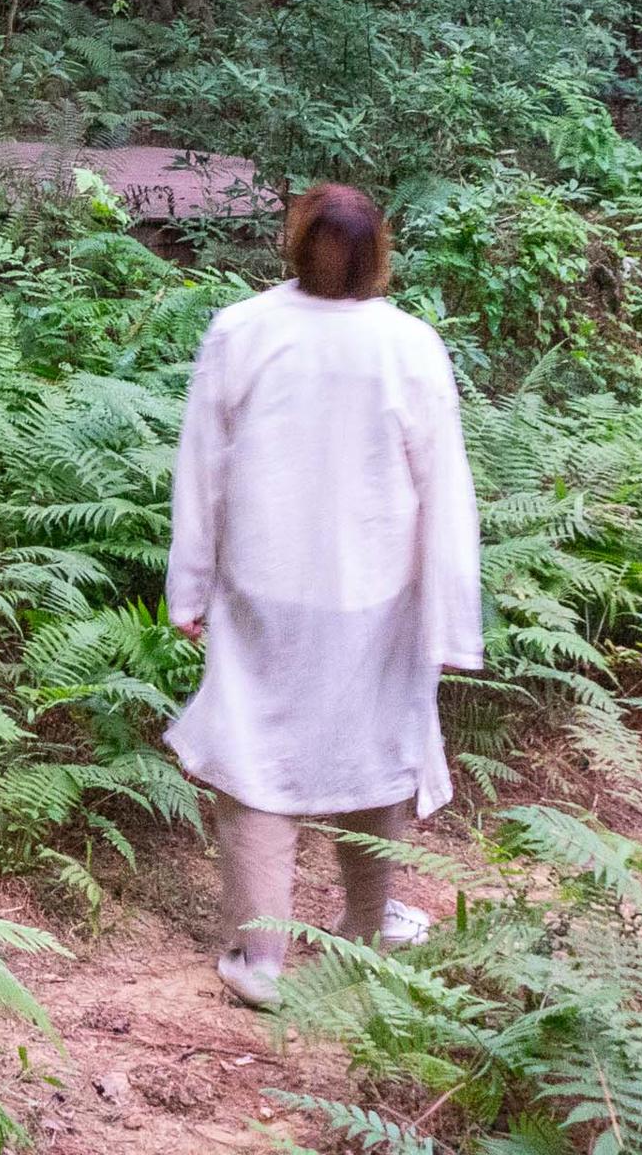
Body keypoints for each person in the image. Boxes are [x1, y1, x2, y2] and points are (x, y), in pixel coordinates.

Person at [164, 181, 483, 1009]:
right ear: (380, 251)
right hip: (379, 595)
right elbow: (445, 491)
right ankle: (367, 923)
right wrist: (451, 621)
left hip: (264, 588)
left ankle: (258, 958)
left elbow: (201, 473)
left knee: (257, 756)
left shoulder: (243, 330)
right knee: (374, 750)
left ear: (293, 242)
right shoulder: (410, 345)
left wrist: (187, 590)